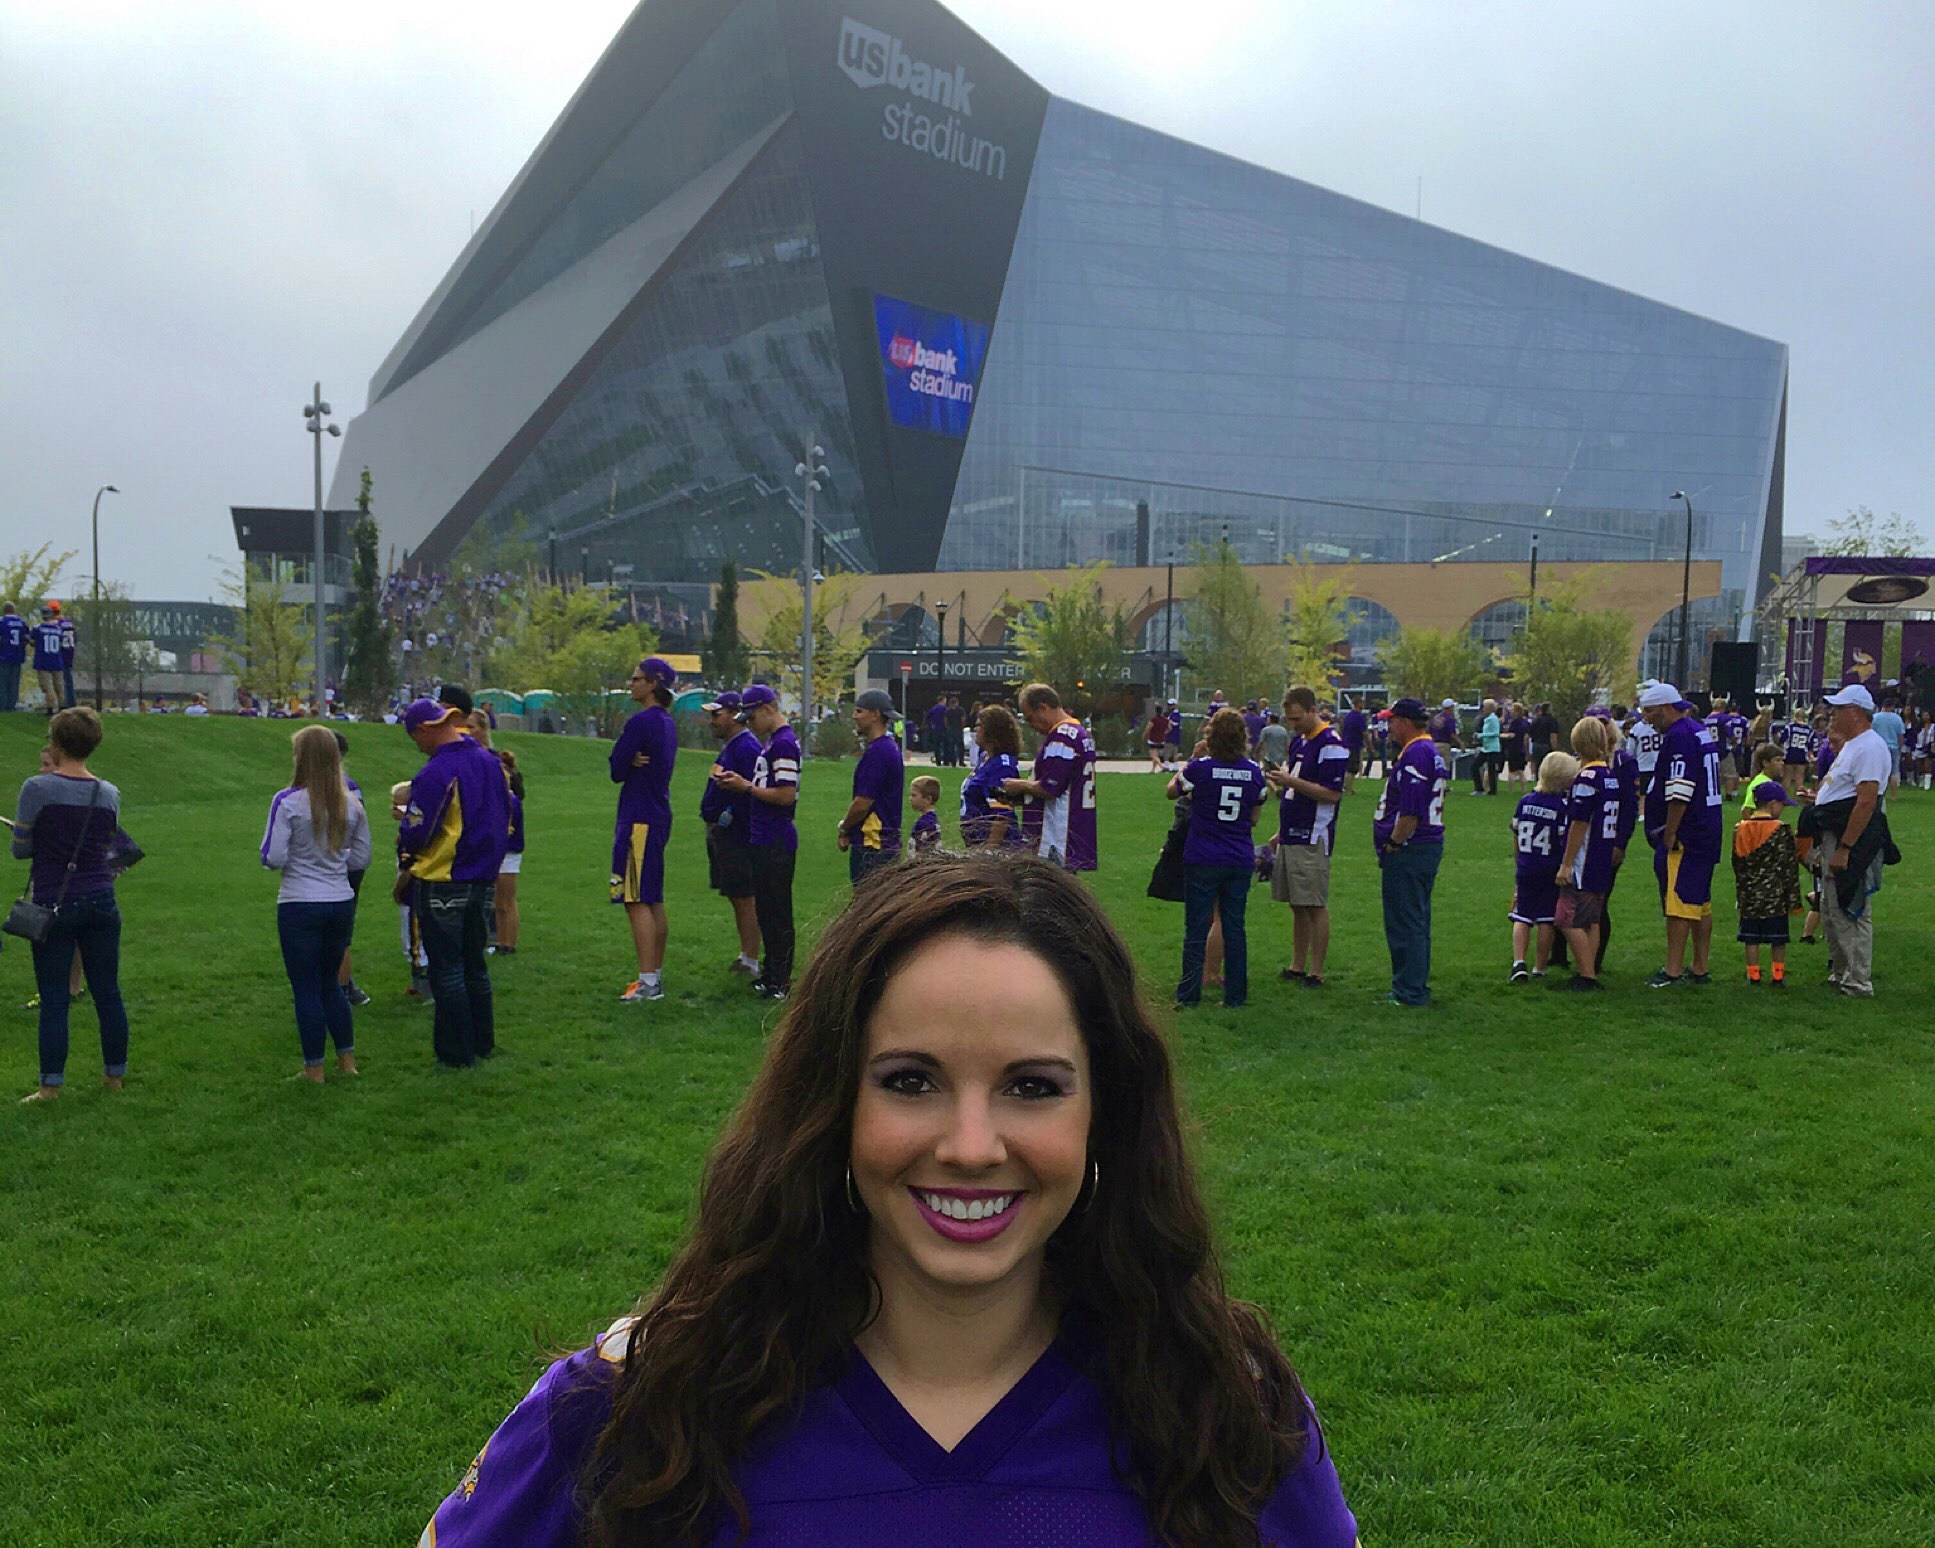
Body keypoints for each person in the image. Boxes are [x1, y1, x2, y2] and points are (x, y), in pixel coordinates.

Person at [417, 854, 1359, 1548]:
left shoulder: (1218, 1403)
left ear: (1104, 1112)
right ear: (830, 1102)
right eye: (910, 1081)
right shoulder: (637, 1404)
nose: (971, 1147)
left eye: (1033, 1086)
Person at [13, 708, 132, 1102]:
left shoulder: (37, 788)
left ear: (57, 744)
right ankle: (114, 1077)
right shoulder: (109, 793)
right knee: (108, 993)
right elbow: (105, 843)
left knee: (54, 996)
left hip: (54, 901)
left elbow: (21, 849)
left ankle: (50, 1086)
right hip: (100, 899)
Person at [396, 697, 511, 1066]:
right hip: (482, 877)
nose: (417, 745)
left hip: (443, 878)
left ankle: (455, 1053)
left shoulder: (435, 773)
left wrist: (405, 846)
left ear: (424, 730)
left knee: (447, 970)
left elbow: (418, 830)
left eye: (415, 737)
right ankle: (482, 1041)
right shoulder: (490, 763)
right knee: (475, 963)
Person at [261, 726, 371, 1082]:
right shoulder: (351, 803)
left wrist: (301, 856)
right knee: (331, 983)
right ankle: (347, 1060)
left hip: (300, 901)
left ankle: (314, 1068)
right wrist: (333, 858)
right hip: (339, 899)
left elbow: (273, 857)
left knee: (305, 987)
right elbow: (361, 859)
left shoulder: (288, 801)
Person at [1167, 708, 1268, 1009]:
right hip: (1238, 856)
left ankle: (1188, 995)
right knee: (1234, 926)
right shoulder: (1253, 772)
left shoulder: (1200, 769)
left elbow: (1172, 792)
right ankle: (1236, 996)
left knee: (1196, 927)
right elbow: (1253, 818)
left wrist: (1188, 763)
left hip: (1203, 855)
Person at [1799, 683, 1895, 998]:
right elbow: (1847, 792)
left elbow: (1866, 801)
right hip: (1834, 831)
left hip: (1849, 837)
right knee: (1830, 906)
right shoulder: (1855, 745)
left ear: (1855, 713)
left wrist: (1845, 848)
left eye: (1838, 710)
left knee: (1850, 905)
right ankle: (1841, 972)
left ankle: (1858, 979)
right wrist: (1820, 800)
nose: (1832, 714)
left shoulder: (1869, 746)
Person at [713, 684, 798, 1000]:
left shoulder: (785, 744)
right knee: (765, 908)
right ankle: (770, 973)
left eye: (751, 717)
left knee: (777, 911)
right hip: (763, 836)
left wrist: (745, 787)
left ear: (767, 709)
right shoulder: (773, 742)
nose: (748, 724)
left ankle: (781, 980)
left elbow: (786, 794)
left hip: (776, 838)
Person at [1638, 682, 1724, 988]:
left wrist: (1670, 830)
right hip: (1707, 825)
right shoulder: (1697, 731)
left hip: (1689, 830)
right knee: (1700, 902)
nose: (1646, 719)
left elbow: (1680, 789)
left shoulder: (1679, 736)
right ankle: (1699, 966)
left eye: (1649, 711)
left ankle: (1672, 970)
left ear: (1665, 707)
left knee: (1679, 902)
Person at [1267, 687, 1347, 988]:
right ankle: (1297, 964)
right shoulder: (1299, 741)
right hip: (1292, 832)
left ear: (1312, 710)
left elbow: (1331, 793)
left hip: (1313, 834)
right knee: (1296, 903)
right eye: (1289, 719)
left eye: (1297, 718)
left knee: (1314, 903)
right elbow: (1294, 790)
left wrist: (1291, 781)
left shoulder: (1331, 744)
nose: (1293, 724)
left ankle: (1316, 971)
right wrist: (1281, 830)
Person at [609, 658, 679, 1003]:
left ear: (653, 684)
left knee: (634, 897)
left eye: (637, 679)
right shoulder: (667, 723)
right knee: (652, 896)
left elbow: (616, 768)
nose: (631, 684)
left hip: (637, 816)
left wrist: (628, 758)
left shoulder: (641, 722)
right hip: (658, 813)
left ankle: (647, 981)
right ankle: (655, 975)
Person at [1372, 697, 1449, 1008]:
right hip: (1422, 847)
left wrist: (1394, 842)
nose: (1389, 727)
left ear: (1403, 722)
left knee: (1406, 922)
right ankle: (1410, 986)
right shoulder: (1425, 751)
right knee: (1414, 920)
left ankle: (1409, 991)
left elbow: (1411, 810)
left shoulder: (1417, 752)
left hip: (1412, 849)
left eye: (1392, 721)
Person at [1552, 717, 1622, 990]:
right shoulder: (1609, 776)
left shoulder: (1587, 778)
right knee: (1591, 918)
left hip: (1586, 856)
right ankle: (1588, 969)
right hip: (1602, 855)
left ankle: (1587, 974)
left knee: (1565, 916)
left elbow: (1580, 823)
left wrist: (1566, 864)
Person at [1003, 683, 1098, 872]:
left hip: (1057, 834)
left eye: (1031, 718)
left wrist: (1019, 785)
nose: (1032, 726)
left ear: (1043, 708)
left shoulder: (1062, 736)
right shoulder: (1079, 733)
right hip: (1075, 826)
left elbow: (1050, 787)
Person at [700, 690, 762, 976]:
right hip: (724, 833)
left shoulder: (745, 747)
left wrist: (730, 816)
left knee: (744, 896)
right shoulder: (732, 745)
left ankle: (751, 959)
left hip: (736, 834)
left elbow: (752, 789)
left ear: (734, 714)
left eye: (716, 714)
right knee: (735, 896)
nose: (711, 721)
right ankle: (745, 954)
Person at [1508, 751, 1579, 982]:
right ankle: (1539, 967)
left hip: (1527, 867)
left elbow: (1516, 836)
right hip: (1550, 869)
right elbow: (1562, 841)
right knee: (1546, 920)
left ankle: (1519, 962)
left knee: (1522, 917)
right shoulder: (1562, 806)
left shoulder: (1525, 801)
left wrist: (1519, 861)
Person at [1732, 781, 1802, 986]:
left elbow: (1736, 862)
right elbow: (1788, 866)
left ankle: (1753, 974)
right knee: (1778, 938)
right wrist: (1793, 899)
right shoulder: (1780, 830)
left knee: (1750, 937)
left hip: (1748, 894)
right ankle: (1778, 975)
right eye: (1782, 805)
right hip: (1775, 895)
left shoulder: (1740, 829)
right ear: (1772, 804)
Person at [840, 689, 905, 886]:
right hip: (883, 847)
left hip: (873, 847)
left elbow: (862, 803)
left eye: (859, 711)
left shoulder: (879, 752)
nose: (854, 716)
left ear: (876, 714)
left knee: (868, 909)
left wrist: (844, 828)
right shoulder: (887, 747)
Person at [960, 704, 1024, 848]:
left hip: (997, 850)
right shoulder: (984, 757)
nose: (975, 730)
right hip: (975, 843)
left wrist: (990, 850)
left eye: (979, 726)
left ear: (993, 730)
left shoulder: (1003, 765)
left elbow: (1002, 814)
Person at [495, 747, 524, 955]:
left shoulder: (510, 800)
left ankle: (509, 943)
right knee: (497, 902)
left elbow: (508, 829)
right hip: (497, 852)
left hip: (508, 853)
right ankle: (500, 941)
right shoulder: (496, 799)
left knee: (507, 900)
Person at [30, 607, 65, 714]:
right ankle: (62, 708)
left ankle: (50, 709)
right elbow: (61, 643)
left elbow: (32, 642)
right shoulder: (59, 629)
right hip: (56, 660)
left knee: (47, 687)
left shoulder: (37, 628)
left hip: (43, 660)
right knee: (59, 686)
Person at [1872, 694, 1906, 792]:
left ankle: (1878, 791)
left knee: (1878, 771)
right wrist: (1900, 747)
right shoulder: (1897, 718)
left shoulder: (1875, 717)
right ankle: (1893, 795)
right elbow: (1900, 735)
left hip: (1878, 748)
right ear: (1892, 706)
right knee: (1894, 772)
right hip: (1893, 747)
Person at [1741, 743, 1786, 810]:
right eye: (1778, 760)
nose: (1782, 763)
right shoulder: (1760, 783)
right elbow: (1746, 809)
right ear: (1765, 763)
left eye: (1782, 760)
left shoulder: (1769, 780)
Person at [1472, 699, 1502, 795]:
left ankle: (1492, 791)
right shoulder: (1487, 718)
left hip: (1492, 748)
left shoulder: (1493, 719)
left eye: (1484, 707)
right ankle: (1479, 788)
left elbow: (1495, 733)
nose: (1483, 709)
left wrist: (1480, 735)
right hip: (1486, 748)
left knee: (1491, 770)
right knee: (1475, 766)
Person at [0, 600, 25, 712]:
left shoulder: (1, 621)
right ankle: (12, 706)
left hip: (4, 656)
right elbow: (26, 639)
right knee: (14, 683)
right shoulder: (22, 622)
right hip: (17, 656)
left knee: (3, 683)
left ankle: (2, 706)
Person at [1337, 698, 1367, 792]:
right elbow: (1364, 732)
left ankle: (1345, 786)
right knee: (1353, 768)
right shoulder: (1359, 717)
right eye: (1362, 702)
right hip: (1354, 744)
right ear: (1358, 704)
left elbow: (1342, 730)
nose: (1363, 704)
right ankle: (1348, 788)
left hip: (1345, 743)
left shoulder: (1348, 716)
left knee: (1347, 766)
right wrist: (1370, 746)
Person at [908, 775, 942, 854]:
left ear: (928, 799)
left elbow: (925, 851)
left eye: (914, 795)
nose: (910, 798)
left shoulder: (925, 823)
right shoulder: (931, 819)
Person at [55, 602, 77, 707]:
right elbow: (75, 639)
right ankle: (72, 702)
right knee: (69, 680)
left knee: (61, 681)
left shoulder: (57, 624)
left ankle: (64, 703)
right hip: (70, 652)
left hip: (61, 654)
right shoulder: (70, 623)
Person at [1144, 703, 1170, 772]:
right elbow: (1170, 728)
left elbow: (1148, 728)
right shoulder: (1165, 720)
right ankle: (1153, 770)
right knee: (1156, 755)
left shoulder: (1153, 720)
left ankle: (1162, 767)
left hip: (1153, 739)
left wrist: (1145, 735)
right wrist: (1165, 732)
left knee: (1153, 755)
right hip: (1161, 740)